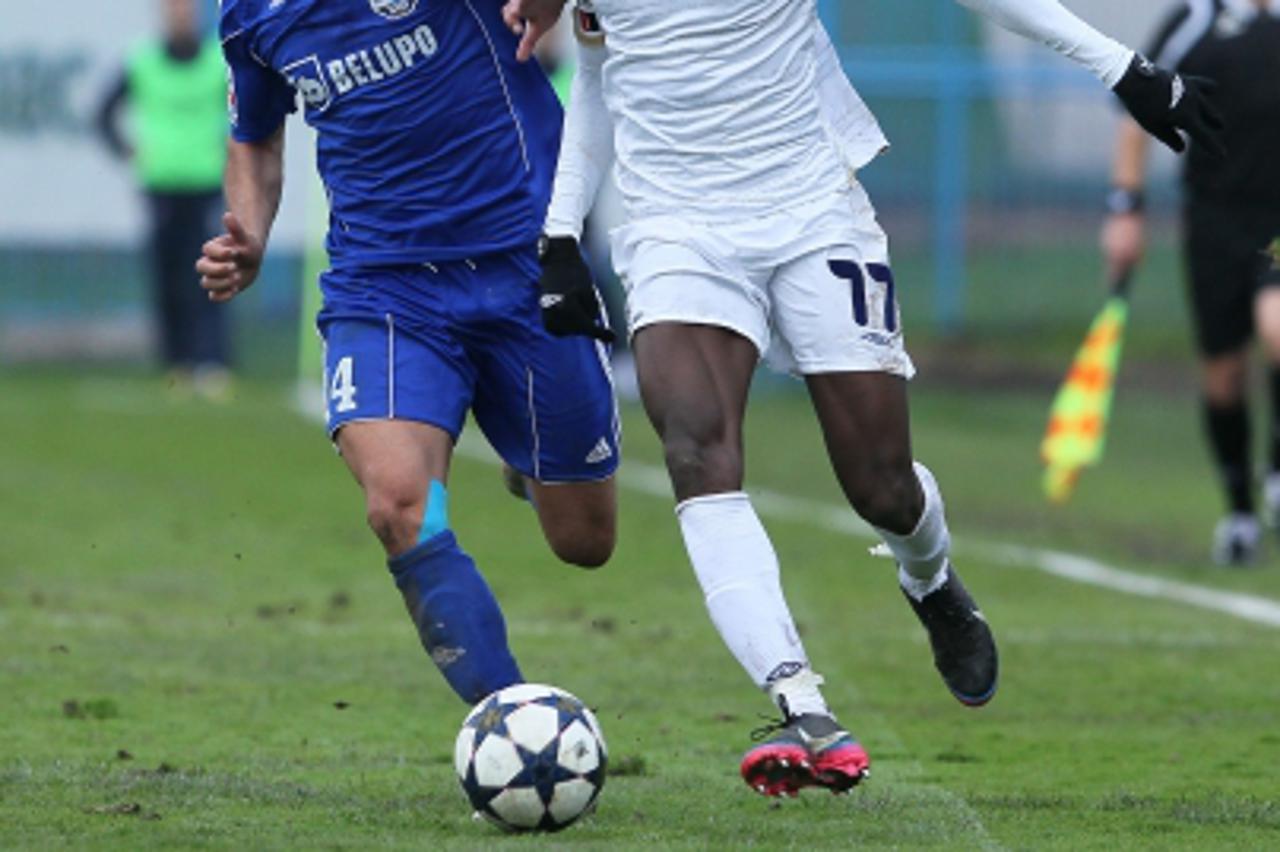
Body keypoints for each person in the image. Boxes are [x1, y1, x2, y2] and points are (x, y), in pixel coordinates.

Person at [504, 0, 1224, 797]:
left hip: (813, 212)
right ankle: (800, 703)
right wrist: (562, 232)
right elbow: (603, 74)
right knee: (697, 452)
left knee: (880, 484)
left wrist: (1118, 65)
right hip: (675, 226)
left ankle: (931, 579)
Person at [197, 0, 619, 708]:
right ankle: (510, 721)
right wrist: (252, 233)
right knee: (399, 504)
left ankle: (525, 454)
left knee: (585, 541)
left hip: (523, 263)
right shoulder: (252, 15)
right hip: (383, 287)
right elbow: (254, 136)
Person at [1101, 0, 1280, 566]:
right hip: (1213, 221)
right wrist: (1126, 208)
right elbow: (1136, 113)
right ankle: (1241, 513)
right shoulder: (1192, 23)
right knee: (1223, 377)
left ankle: (1277, 471)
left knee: (1279, 330)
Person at [96, 0, 234, 399]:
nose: (180, 16)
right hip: (160, 183)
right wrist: (127, 151)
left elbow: (243, 112)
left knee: (210, 272)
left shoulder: (216, 62)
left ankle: (212, 361)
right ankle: (177, 360)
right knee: (167, 274)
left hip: (206, 181)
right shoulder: (142, 62)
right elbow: (103, 112)